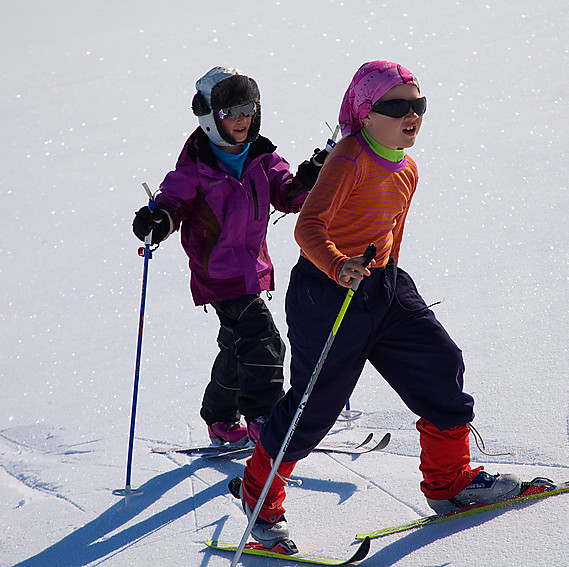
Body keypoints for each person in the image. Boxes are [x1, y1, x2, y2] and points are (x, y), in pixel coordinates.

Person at [236, 61, 522, 548]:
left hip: (383, 287)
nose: (411, 115)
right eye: (396, 107)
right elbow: (308, 227)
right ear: (366, 114)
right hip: (328, 294)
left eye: (418, 105)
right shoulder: (349, 157)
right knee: (311, 409)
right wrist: (338, 265)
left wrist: (386, 281)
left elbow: (392, 231)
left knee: (440, 364)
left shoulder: (407, 166)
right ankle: (259, 499)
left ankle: (449, 482)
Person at [132, 66, 327, 447]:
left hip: (251, 270)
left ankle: (220, 417)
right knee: (265, 340)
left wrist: (311, 177)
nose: (240, 120)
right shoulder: (195, 169)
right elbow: (173, 203)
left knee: (238, 346)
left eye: (247, 108)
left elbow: (288, 195)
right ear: (209, 117)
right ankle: (264, 418)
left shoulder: (262, 157)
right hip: (218, 273)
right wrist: (158, 221)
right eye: (228, 112)